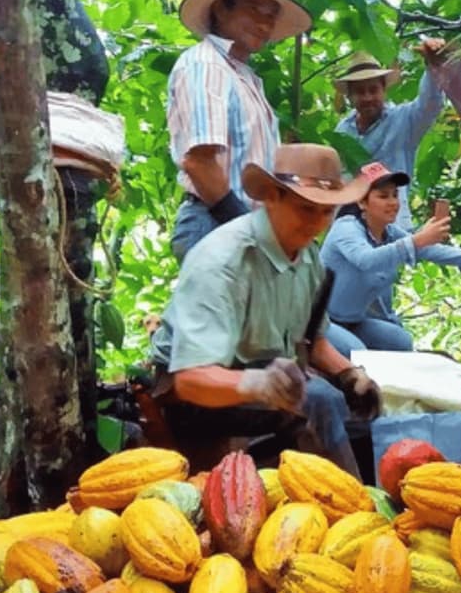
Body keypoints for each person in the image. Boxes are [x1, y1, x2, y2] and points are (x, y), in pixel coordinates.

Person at [150, 144, 381, 477]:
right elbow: (190, 379)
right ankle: (352, 510)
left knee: (358, 414)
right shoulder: (223, 262)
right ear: (272, 197)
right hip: (190, 393)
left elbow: (312, 341)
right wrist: (259, 384)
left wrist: (350, 376)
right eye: (306, 209)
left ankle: (345, 501)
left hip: (262, 370)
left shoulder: (307, 255)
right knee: (318, 401)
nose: (317, 223)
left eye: (326, 212)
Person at [166, 0, 312, 263]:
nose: (264, 22)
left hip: (240, 226)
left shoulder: (245, 77)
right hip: (215, 223)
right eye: (255, 9)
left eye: (272, 15)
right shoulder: (207, 65)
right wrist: (251, 233)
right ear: (222, 8)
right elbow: (200, 163)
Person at [320, 162, 461, 358]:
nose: (393, 202)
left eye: (395, 195)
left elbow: (428, 250)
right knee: (358, 353)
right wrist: (417, 240)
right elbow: (366, 260)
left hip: (355, 321)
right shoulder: (346, 228)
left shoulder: (389, 233)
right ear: (362, 203)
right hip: (323, 320)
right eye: (383, 196)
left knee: (401, 342)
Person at [334, 41, 447, 229]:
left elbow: (430, 105)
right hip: (349, 225)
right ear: (350, 97)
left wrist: (433, 66)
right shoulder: (343, 130)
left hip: (391, 226)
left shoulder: (403, 121)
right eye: (360, 92)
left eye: (373, 90)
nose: (368, 97)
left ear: (383, 90)